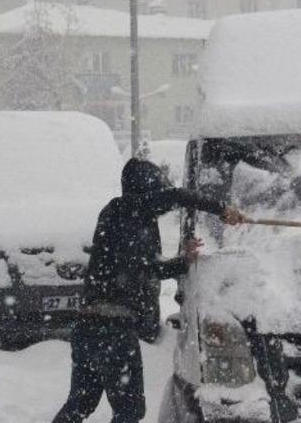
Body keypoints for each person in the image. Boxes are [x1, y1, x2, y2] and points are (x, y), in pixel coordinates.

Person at [52, 158, 246, 423]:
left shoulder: (114, 216)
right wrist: (221, 210)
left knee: (80, 403)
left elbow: (149, 267)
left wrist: (183, 260)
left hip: (87, 329)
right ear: (147, 188)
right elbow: (175, 197)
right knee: (129, 411)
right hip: (114, 331)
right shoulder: (133, 210)